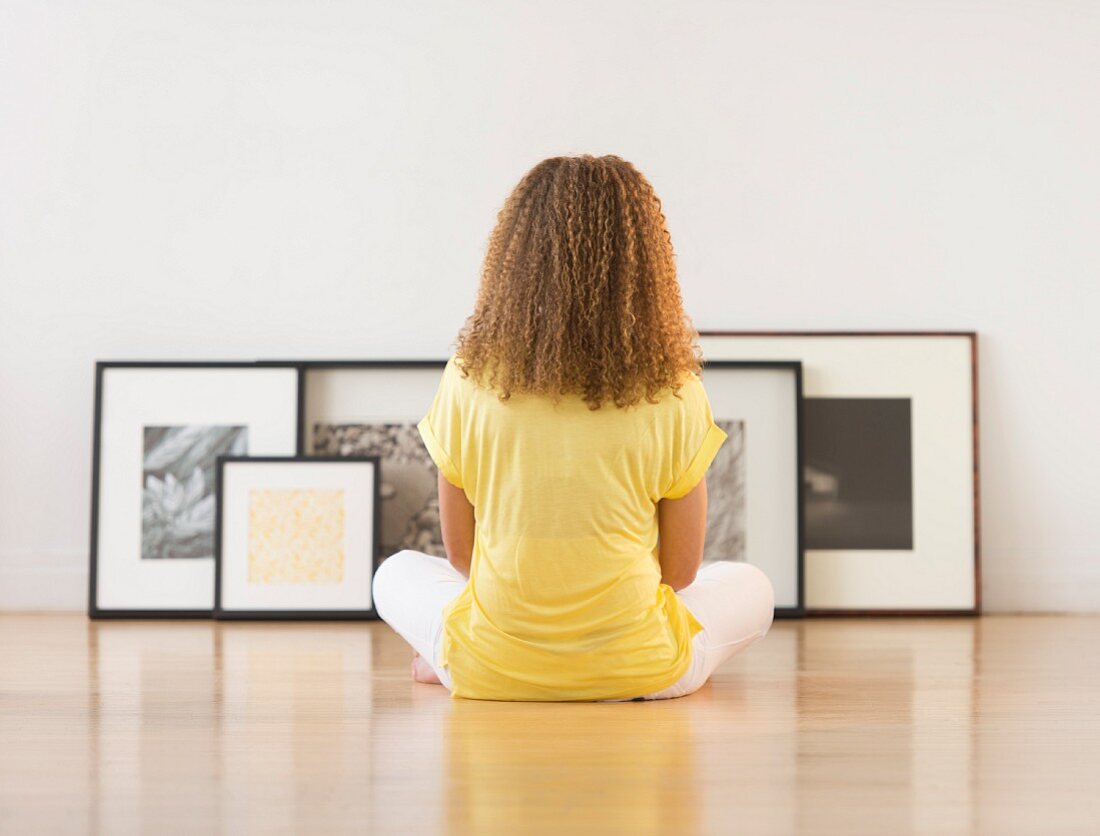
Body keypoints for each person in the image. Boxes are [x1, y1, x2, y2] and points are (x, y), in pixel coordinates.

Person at [372, 154, 775, 702]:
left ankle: (444, 660)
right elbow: (679, 573)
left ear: (514, 258)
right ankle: (576, 666)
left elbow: (462, 558)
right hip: (645, 671)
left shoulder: (469, 378)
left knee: (395, 573)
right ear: (645, 264)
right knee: (751, 585)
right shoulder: (676, 389)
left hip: (489, 669)